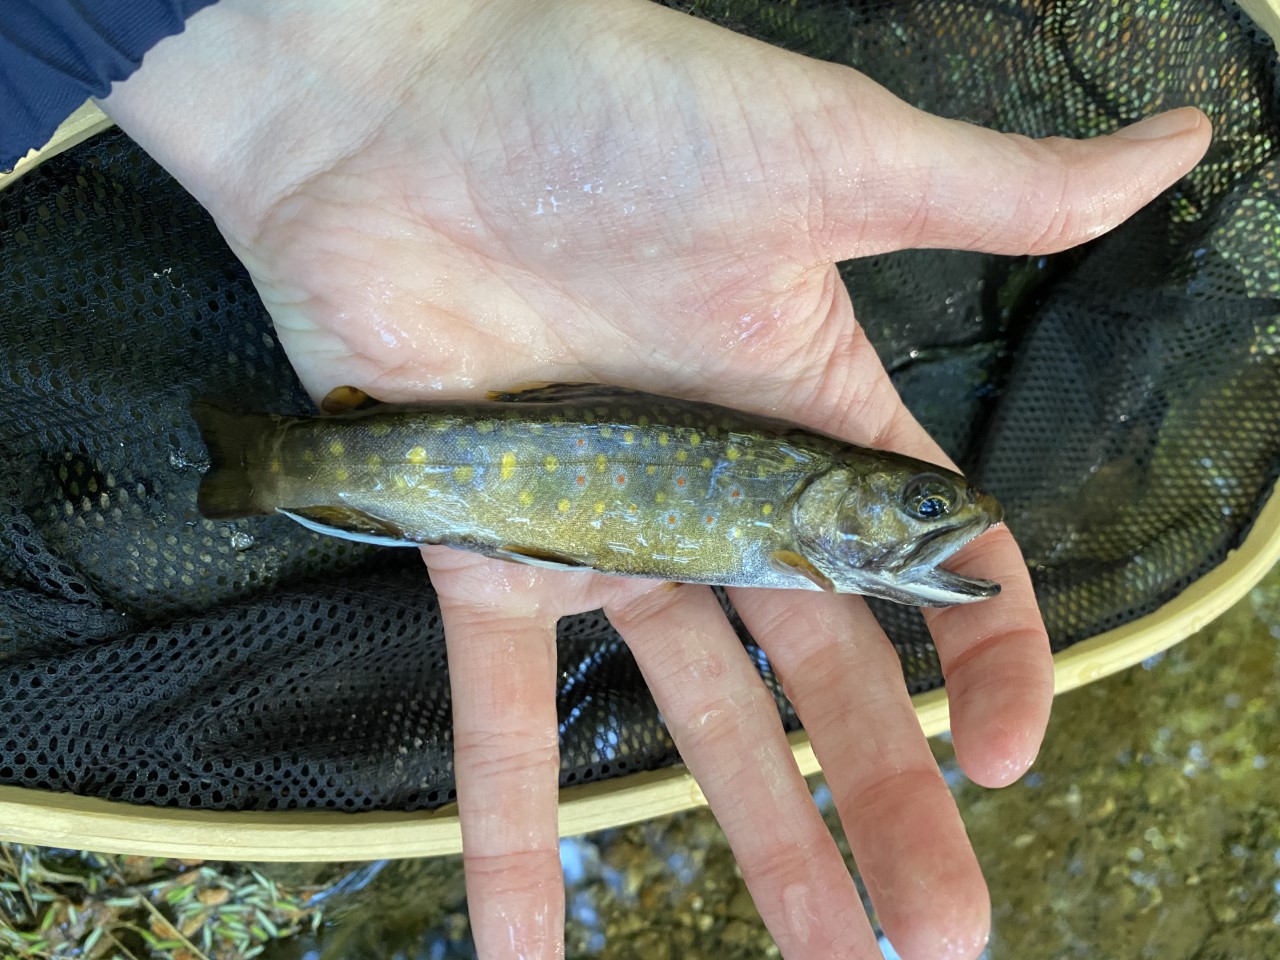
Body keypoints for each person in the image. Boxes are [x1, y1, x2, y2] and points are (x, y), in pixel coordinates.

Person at [2, 1, 1211, 957]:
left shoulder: (798, 518)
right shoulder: (791, 515)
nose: (943, 515)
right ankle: (280, 466)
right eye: (918, 505)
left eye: (927, 510)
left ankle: (285, 466)